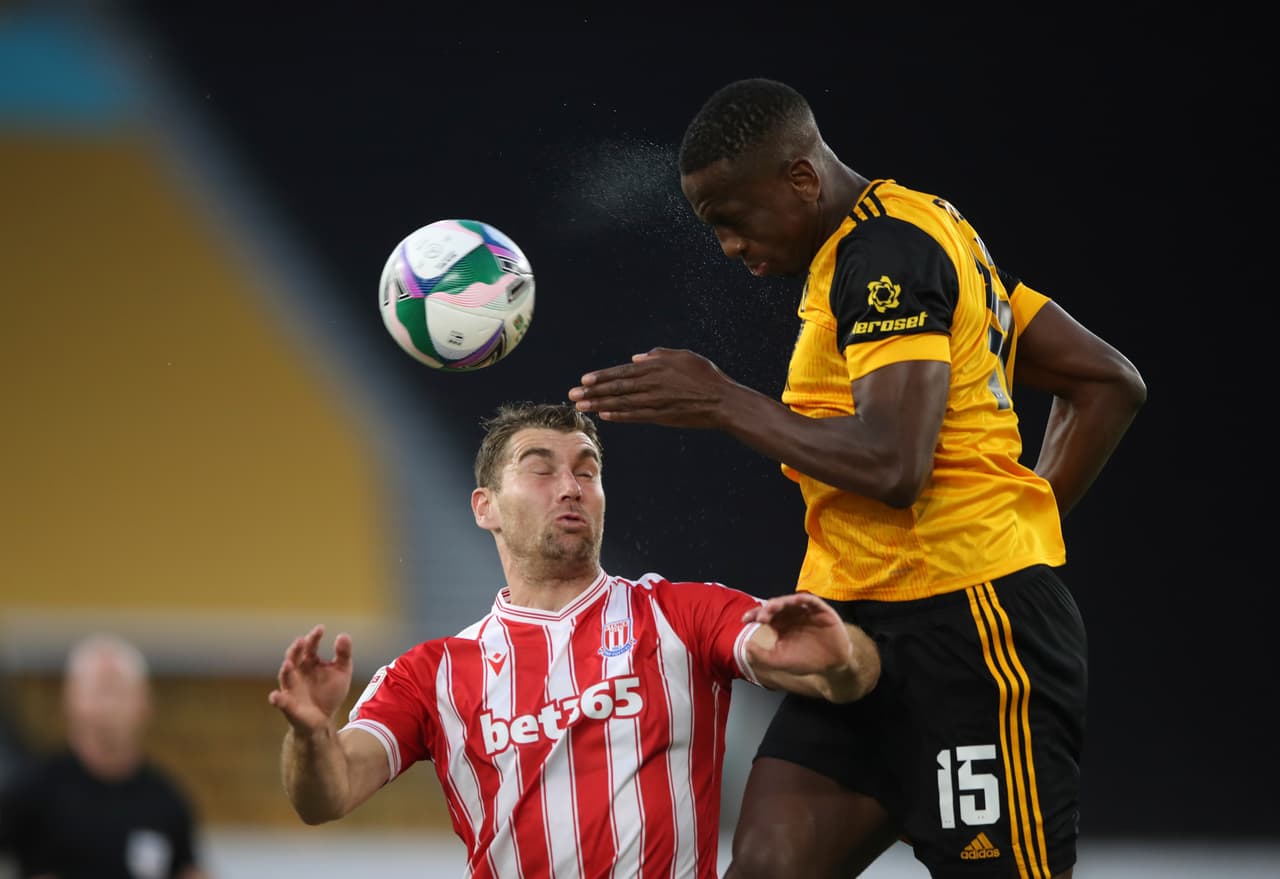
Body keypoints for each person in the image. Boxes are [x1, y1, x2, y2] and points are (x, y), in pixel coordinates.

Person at [568, 77, 1147, 879]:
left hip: (971, 639)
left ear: (800, 179)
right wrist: (1028, 518)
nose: (729, 248)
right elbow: (1105, 382)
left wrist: (724, 400)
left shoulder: (887, 255)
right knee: (767, 866)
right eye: (713, 230)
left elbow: (893, 464)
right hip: (859, 640)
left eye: (731, 220)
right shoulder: (904, 234)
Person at [268, 401, 881, 879]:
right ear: (486, 508)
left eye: (586, 470)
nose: (571, 486)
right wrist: (311, 735)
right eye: (541, 469)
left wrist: (843, 659)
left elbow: (826, 670)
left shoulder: (679, 613)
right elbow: (328, 795)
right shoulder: (433, 673)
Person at [0, 634, 209, 879]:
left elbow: (187, 868)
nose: (108, 705)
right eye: (98, 689)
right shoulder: (34, 791)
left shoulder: (166, 799)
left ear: (145, 704)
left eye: (118, 690)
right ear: (69, 699)